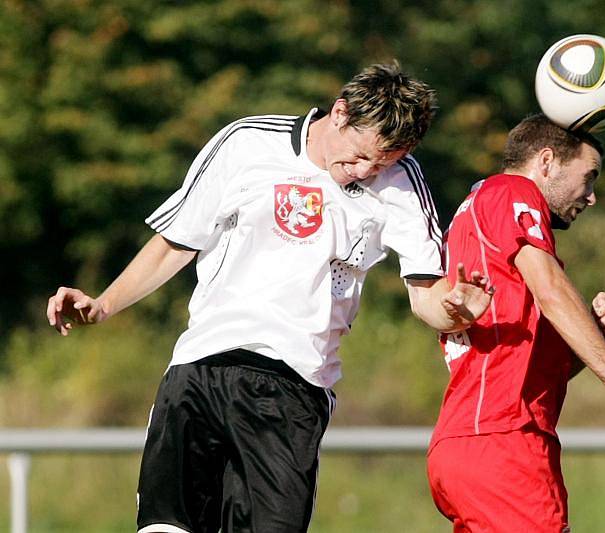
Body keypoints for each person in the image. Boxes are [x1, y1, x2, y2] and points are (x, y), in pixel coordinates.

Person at [46, 62, 492, 533]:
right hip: (200, 368)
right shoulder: (246, 141)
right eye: (360, 156)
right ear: (339, 113)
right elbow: (176, 242)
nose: (364, 172)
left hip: (292, 388)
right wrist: (104, 304)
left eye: (379, 164)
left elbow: (426, 294)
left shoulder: (402, 182)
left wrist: (453, 310)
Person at [426, 114, 605, 533]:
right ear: (546, 161)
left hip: (471, 440)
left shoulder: (485, 211)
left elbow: (538, 367)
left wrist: (593, 339)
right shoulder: (512, 191)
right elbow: (551, 288)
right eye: (589, 176)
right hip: (503, 441)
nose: (592, 196)